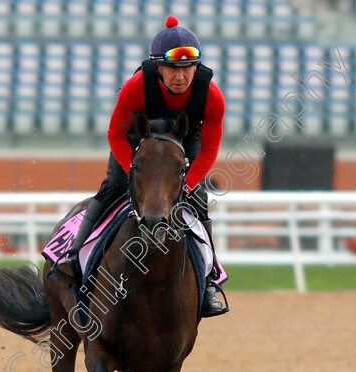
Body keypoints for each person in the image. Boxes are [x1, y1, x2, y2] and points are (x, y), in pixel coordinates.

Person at [53, 15, 227, 317]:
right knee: (114, 187)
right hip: (138, 136)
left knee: (198, 200)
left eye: (187, 68)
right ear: (157, 66)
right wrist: (133, 169)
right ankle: (71, 257)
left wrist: (187, 184)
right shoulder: (135, 87)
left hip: (184, 136)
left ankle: (209, 281)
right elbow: (115, 133)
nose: (180, 76)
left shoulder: (212, 96)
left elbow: (210, 147)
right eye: (172, 67)